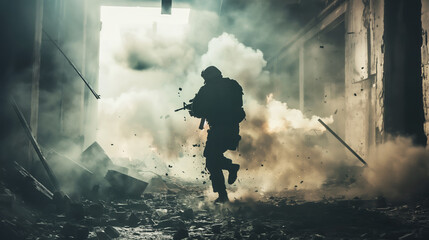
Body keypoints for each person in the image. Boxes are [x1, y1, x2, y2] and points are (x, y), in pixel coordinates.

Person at [189, 66, 246, 203]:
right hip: (232, 129)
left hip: (218, 130)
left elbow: (198, 110)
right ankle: (223, 193)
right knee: (213, 159)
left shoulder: (207, 89)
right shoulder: (232, 85)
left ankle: (224, 189)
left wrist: (192, 109)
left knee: (211, 160)